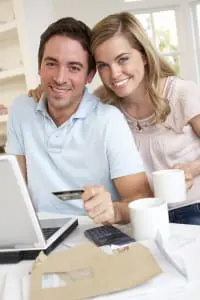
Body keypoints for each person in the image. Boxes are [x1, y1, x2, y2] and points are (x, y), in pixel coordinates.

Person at [29, 12, 200, 224]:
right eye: (103, 65)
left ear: (144, 55)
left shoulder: (182, 94)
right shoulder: (105, 101)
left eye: (123, 60)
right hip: (144, 213)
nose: (115, 73)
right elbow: (70, 97)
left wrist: (193, 168)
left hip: (191, 207)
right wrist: (47, 90)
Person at [6, 17, 152, 225]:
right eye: (51, 64)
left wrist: (114, 211)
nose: (59, 78)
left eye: (74, 67)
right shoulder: (21, 109)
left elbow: (141, 200)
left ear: (90, 75)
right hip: (40, 230)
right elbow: (15, 190)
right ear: (39, 67)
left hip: (95, 232)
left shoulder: (109, 120)